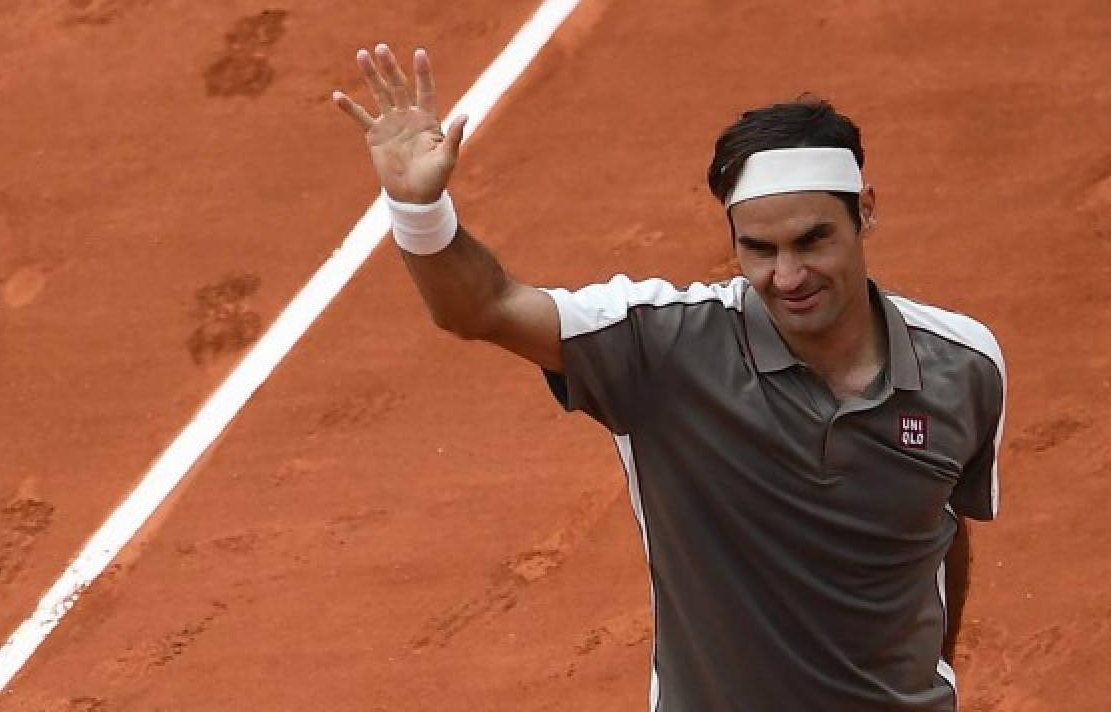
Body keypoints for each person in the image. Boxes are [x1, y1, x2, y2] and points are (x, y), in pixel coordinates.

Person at [332, 43, 1007, 712]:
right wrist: (419, 212)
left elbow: (945, 529)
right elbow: (481, 308)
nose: (788, 277)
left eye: (812, 240)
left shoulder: (965, 367)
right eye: (758, 249)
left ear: (865, 211)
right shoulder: (663, 348)